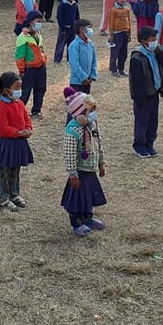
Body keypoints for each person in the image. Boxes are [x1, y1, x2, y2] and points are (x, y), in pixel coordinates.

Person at [61, 88, 106, 236]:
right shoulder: (73, 130)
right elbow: (69, 154)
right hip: (80, 171)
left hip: (90, 169)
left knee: (88, 197)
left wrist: (101, 162)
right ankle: (76, 223)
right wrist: (73, 173)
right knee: (77, 199)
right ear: (80, 113)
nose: (93, 113)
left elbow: (98, 144)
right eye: (90, 110)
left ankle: (88, 218)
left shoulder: (91, 125)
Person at [0, 72, 34, 211]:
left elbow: (27, 118)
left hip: (19, 143)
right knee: (4, 171)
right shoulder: (0, 107)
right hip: (7, 144)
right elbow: (3, 128)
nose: (19, 91)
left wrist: (28, 129)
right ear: (6, 90)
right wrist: (19, 133)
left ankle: (14, 194)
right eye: (16, 88)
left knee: (15, 170)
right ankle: (2, 197)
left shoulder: (19, 103)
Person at [128, 26, 163, 158]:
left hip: (154, 92)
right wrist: (140, 98)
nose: (155, 41)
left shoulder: (154, 53)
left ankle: (150, 144)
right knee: (142, 121)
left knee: (153, 121)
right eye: (152, 39)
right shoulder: (137, 57)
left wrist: (159, 53)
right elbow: (136, 81)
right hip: (143, 96)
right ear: (144, 41)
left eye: (155, 38)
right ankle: (140, 146)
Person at [16, 10, 48, 119]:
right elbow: (20, 56)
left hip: (40, 67)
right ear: (30, 22)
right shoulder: (22, 37)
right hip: (29, 69)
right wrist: (22, 70)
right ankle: (18, 113)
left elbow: (41, 50)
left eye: (41, 22)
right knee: (25, 92)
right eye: (38, 21)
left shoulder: (38, 35)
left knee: (40, 89)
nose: (40, 24)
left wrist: (44, 61)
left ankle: (36, 111)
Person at [68, 19, 97, 95]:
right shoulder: (74, 45)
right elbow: (74, 64)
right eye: (89, 27)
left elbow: (94, 60)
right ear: (81, 29)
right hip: (77, 82)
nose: (90, 30)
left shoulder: (90, 44)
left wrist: (92, 75)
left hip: (88, 81)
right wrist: (83, 77)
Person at [108, 0, 132, 77]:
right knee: (115, 52)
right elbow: (111, 23)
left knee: (124, 53)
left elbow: (129, 21)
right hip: (117, 34)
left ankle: (121, 69)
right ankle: (113, 70)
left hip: (125, 33)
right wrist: (111, 35)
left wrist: (129, 33)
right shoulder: (114, 10)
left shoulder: (127, 9)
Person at [54, 0, 80, 64]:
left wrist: (77, 26)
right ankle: (57, 59)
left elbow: (77, 16)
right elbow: (59, 17)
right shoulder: (62, 5)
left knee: (71, 44)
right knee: (61, 44)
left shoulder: (75, 4)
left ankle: (70, 58)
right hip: (64, 28)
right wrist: (63, 28)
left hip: (73, 28)